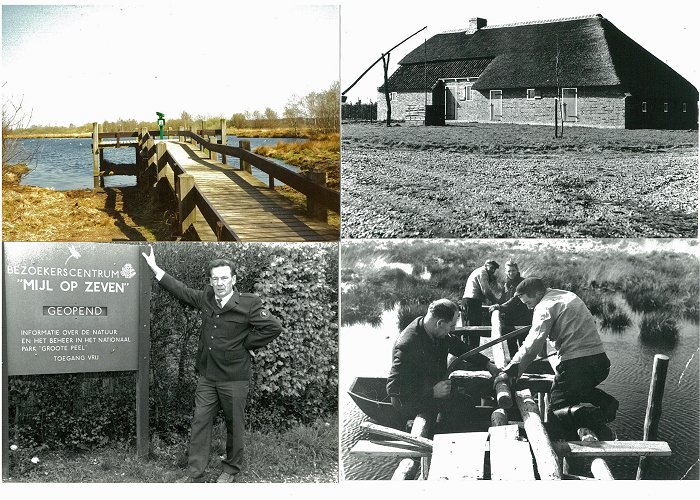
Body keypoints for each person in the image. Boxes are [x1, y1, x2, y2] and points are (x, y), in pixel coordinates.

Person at [142, 246, 283, 483]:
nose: (219, 283)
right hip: (208, 376)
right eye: (215, 278)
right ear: (210, 281)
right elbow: (182, 291)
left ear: (234, 279)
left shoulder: (249, 303)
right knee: (200, 422)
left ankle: (230, 470)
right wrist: (156, 269)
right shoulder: (207, 297)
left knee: (234, 425)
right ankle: (194, 472)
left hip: (235, 378)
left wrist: (248, 343)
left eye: (224, 278)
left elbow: (273, 327)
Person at [500, 277, 618, 439]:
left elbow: (532, 345)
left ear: (538, 293)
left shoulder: (544, 306)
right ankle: (605, 402)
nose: (528, 306)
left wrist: (511, 371)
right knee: (573, 390)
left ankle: (592, 418)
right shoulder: (568, 296)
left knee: (554, 414)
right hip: (600, 364)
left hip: (577, 365)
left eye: (528, 302)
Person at [387, 299, 499, 432]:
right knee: (458, 411)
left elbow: (459, 347)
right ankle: (439, 436)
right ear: (440, 323)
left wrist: (487, 364)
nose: (453, 329)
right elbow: (393, 388)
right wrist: (432, 392)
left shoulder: (432, 329)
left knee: (467, 402)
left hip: (432, 389)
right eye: (451, 326)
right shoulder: (408, 345)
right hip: (411, 401)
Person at [488, 261, 533, 355]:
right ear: (505, 272)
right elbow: (503, 299)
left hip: (522, 318)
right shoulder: (506, 284)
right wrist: (497, 305)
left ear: (517, 270)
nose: (511, 273)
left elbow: (515, 300)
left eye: (513, 270)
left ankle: (525, 367)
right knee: (511, 344)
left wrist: (499, 307)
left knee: (523, 345)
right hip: (510, 319)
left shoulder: (522, 283)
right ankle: (514, 366)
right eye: (509, 271)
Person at [462, 260, 501, 349]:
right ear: (486, 265)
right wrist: (496, 301)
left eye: (494, 269)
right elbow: (486, 291)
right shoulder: (483, 272)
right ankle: (473, 353)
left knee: (469, 326)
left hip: (470, 301)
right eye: (491, 267)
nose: (492, 270)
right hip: (472, 301)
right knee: (474, 328)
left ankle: (469, 352)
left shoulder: (481, 271)